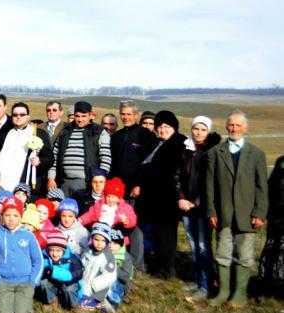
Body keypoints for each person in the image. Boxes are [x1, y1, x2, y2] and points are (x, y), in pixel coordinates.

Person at [206, 110, 268, 307]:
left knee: (244, 255)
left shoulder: (256, 154)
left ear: (245, 128)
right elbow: (209, 186)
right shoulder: (215, 153)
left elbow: (262, 187)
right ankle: (223, 292)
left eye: (238, 125)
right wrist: (211, 211)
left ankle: (239, 294)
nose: (234, 128)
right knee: (222, 254)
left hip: (247, 215)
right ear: (226, 127)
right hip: (222, 213)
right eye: (231, 125)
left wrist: (260, 213)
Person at [110, 100, 158, 272]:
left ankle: (138, 263)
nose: (126, 117)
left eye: (129, 114)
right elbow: (112, 164)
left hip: (136, 189)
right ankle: (118, 259)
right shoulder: (116, 136)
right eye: (123, 114)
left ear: (136, 115)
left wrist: (139, 184)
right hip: (118, 189)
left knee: (135, 225)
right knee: (118, 223)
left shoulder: (146, 135)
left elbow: (149, 164)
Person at [138, 110, 186, 279]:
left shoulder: (179, 143)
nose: (162, 129)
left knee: (166, 236)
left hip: (168, 199)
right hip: (155, 199)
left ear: (174, 127)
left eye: (166, 126)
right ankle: (160, 267)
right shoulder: (158, 143)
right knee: (158, 235)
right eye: (159, 126)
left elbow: (174, 172)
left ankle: (167, 270)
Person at [177, 115, 221, 299]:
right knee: (194, 245)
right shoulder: (186, 150)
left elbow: (212, 182)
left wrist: (196, 201)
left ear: (208, 131)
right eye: (196, 128)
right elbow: (179, 176)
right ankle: (197, 280)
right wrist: (181, 198)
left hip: (203, 206)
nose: (199, 132)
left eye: (203, 129)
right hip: (186, 205)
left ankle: (206, 284)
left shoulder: (213, 151)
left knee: (203, 246)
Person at [0, 197, 44, 313]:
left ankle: (23, 305)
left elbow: (38, 260)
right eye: (7, 215)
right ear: (2, 215)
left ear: (20, 217)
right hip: (4, 282)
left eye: (15, 215)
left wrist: (33, 281)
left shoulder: (28, 235)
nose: (11, 219)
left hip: (25, 283)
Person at [47, 101, 111, 200]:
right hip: (64, 182)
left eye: (83, 116)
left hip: (86, 183)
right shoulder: (65, 131)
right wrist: (51, 177)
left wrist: (99, 179)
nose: (80, 119)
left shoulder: (99, 132)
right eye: (77, 116)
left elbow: (106, 158)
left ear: (90, 115)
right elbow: (54, 157)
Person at [0, 102, 53, 198]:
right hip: (5, 181)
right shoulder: (5, 133)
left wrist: (40, 161)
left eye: (22, 114)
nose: (18, 117)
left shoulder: (38, 133)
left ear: (28, 116)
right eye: (15, 115)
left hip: (26, 183)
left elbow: (49, 157)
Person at [256, 155, 284, 300]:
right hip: (276, 218)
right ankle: (267, 286)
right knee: (271, 251)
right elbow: (271, 186)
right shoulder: (281, 161)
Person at [38, 230, 83, 311]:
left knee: (69, 288)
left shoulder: (72, 258)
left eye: (58, 251)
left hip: (68, 283)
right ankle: (52, 301)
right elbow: (39, 271)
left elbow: (78, 273)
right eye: (51, 250)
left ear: (64, 250)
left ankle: (73, 305)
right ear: (47, 250)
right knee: (43, 283)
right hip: (53, 284)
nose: (54, 254)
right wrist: (45, 272)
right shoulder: (45, 257)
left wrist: (54, 272)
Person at [78, 222, 117, 312]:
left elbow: (109, 277)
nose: (99, 243)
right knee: (71, 301)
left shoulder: (108, 257)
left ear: (107, 241)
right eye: (96, 240)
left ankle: (103, 305)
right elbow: (81, 266)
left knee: (81, 308)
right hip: (83, 287)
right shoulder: (88, 251)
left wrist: (93, 286)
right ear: (92, 239)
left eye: (103, 241)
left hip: (95, 292)